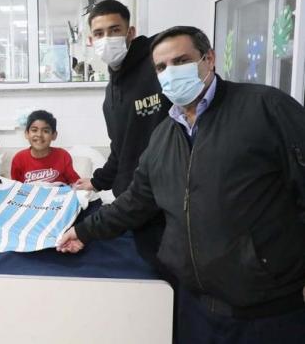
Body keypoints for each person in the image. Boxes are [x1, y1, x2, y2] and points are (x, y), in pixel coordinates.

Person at [58, 26, 305, 344]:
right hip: (195, 307)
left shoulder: (264, 108)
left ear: (209, 59)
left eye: (181, 61)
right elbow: (135, 201)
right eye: (161, 67)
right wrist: (83, 231)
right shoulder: (163, 137)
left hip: (266, 311)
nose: (171, 72)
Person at [74, 0, 169, 265]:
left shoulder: (157, 66)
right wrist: (98, 181)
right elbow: (121, 147)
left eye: (115, 30)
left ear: (130, 32)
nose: (107, 39)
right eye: (99, 33)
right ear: (91, 40)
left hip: (167, 200)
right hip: (134, 202)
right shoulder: (111, 95)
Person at [11, 110, 80, 185]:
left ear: (54, 135)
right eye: (34, 130)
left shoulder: (63, 156)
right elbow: (15, 187)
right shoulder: (19, 159)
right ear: (26, 134)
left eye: (45, 131)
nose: (39, 135)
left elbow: (76, 183)